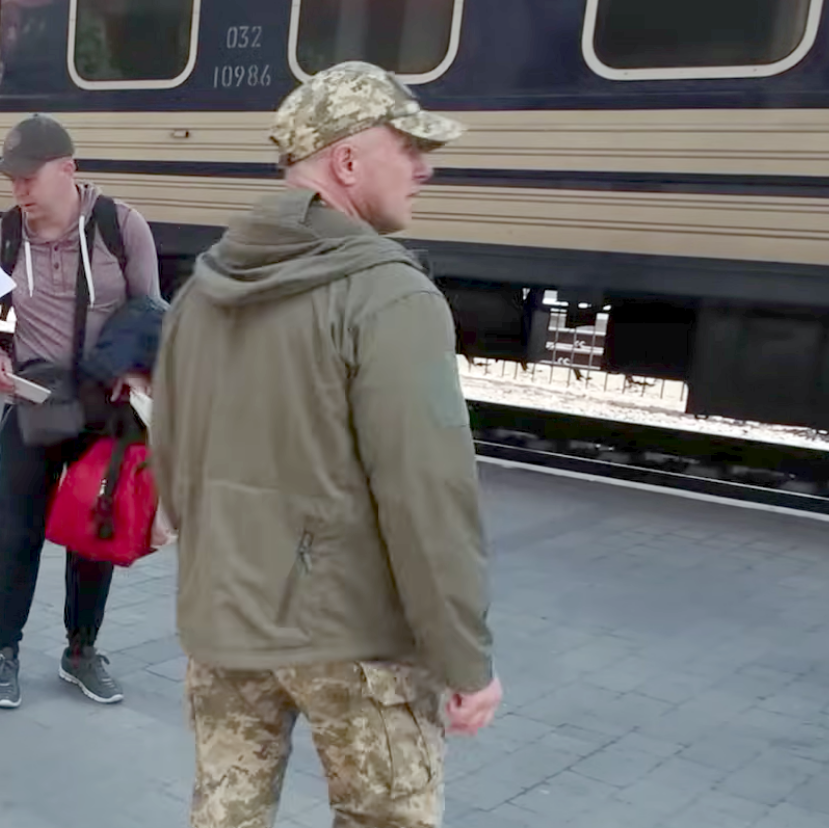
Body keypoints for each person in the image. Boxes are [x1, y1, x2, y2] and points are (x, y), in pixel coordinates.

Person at [150, 61, 504, 827]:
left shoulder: (201, 292)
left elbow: (171, 461)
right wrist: (464, 657)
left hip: (225, 619)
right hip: (355, 637)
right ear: (346, 161)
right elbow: (427, 496)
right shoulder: (390, 296)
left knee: (226, 816)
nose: (425, 169)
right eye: (407, 148)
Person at [0, 114, 162, 710]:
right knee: (13, 534)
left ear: (68, 169)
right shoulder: (3, 237)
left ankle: (81, 651)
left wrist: (139, 369)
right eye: (11, 179)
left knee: (94, 534)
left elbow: (151, 312)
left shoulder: (121, 227)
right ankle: (4, 652)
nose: (19, 189)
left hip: (106, 411)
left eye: (28, 176)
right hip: (33, 407)